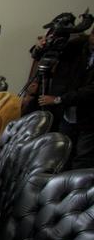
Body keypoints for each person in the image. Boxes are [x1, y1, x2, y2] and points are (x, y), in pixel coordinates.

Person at [36, 30, 94, 168]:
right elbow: (40, 56)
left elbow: (90, 91)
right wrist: (42, 46)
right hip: (67, 112)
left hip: (89, 116)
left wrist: (59, 99)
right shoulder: (78, 45)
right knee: (60, 153)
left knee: (82, 159)